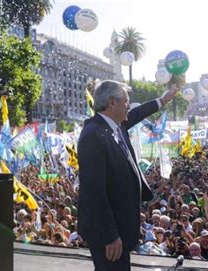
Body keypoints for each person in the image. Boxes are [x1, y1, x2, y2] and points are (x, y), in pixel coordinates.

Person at [77, 80, 179, 271]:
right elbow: (93, 193)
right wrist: (110, 236)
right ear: (112, 102)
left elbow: (137, 113)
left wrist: (163, 100)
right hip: (106, 233)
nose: (129, 106)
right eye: (126, 101)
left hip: (119, 226)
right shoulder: (93, 135)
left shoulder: (115, 125)